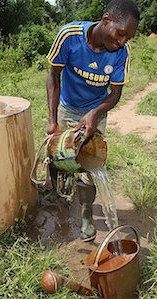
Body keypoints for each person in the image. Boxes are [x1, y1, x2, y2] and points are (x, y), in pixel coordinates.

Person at [45, 0, 139, 241]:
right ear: (106, 20)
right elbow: (54, 75)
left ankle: (86, 213)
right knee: (58, 157)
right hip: (68, 108)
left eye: (127, 38)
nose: (121, 42)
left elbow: (115, 94)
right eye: (120, 34)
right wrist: (53, 121)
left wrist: (95, 114)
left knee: (90, 166)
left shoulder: (121, 54)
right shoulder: (69, 36)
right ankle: (59, 199)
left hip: (96, 112)